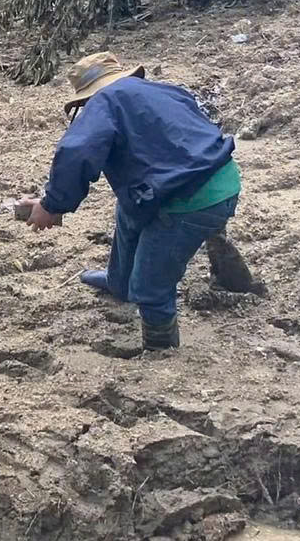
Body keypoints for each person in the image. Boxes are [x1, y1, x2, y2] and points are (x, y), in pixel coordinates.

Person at [17, 52, 243, 351]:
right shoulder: (163, 90)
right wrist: (50, 201)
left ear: (85, 97)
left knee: (150, 287)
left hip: (187, 202)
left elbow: (76, 152)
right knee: (129, 210)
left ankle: (160, 350)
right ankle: (118, 282)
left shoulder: (104, 103)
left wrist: (51, 207)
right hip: (224, 180)